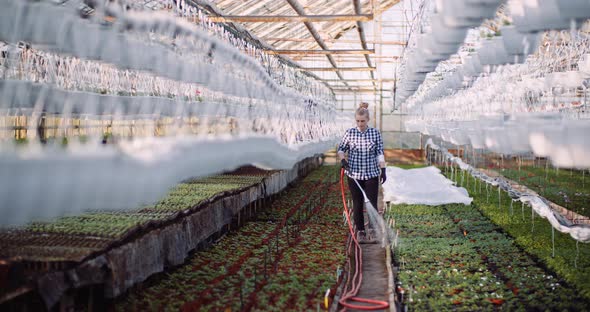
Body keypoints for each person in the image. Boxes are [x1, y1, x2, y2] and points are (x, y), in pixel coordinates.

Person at [337, 107, 386, 242]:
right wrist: (342, 159)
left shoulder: (375, 133)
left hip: (371, 174)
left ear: (368, 120)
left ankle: (373, 231)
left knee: (372, 203)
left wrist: (383, 169)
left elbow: (380, 153)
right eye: (358, 121)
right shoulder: (350, 133)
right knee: (357, 203)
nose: (360, 124)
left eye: (363, 121)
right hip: (354, 175)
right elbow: (341, 149)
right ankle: (361, 232)